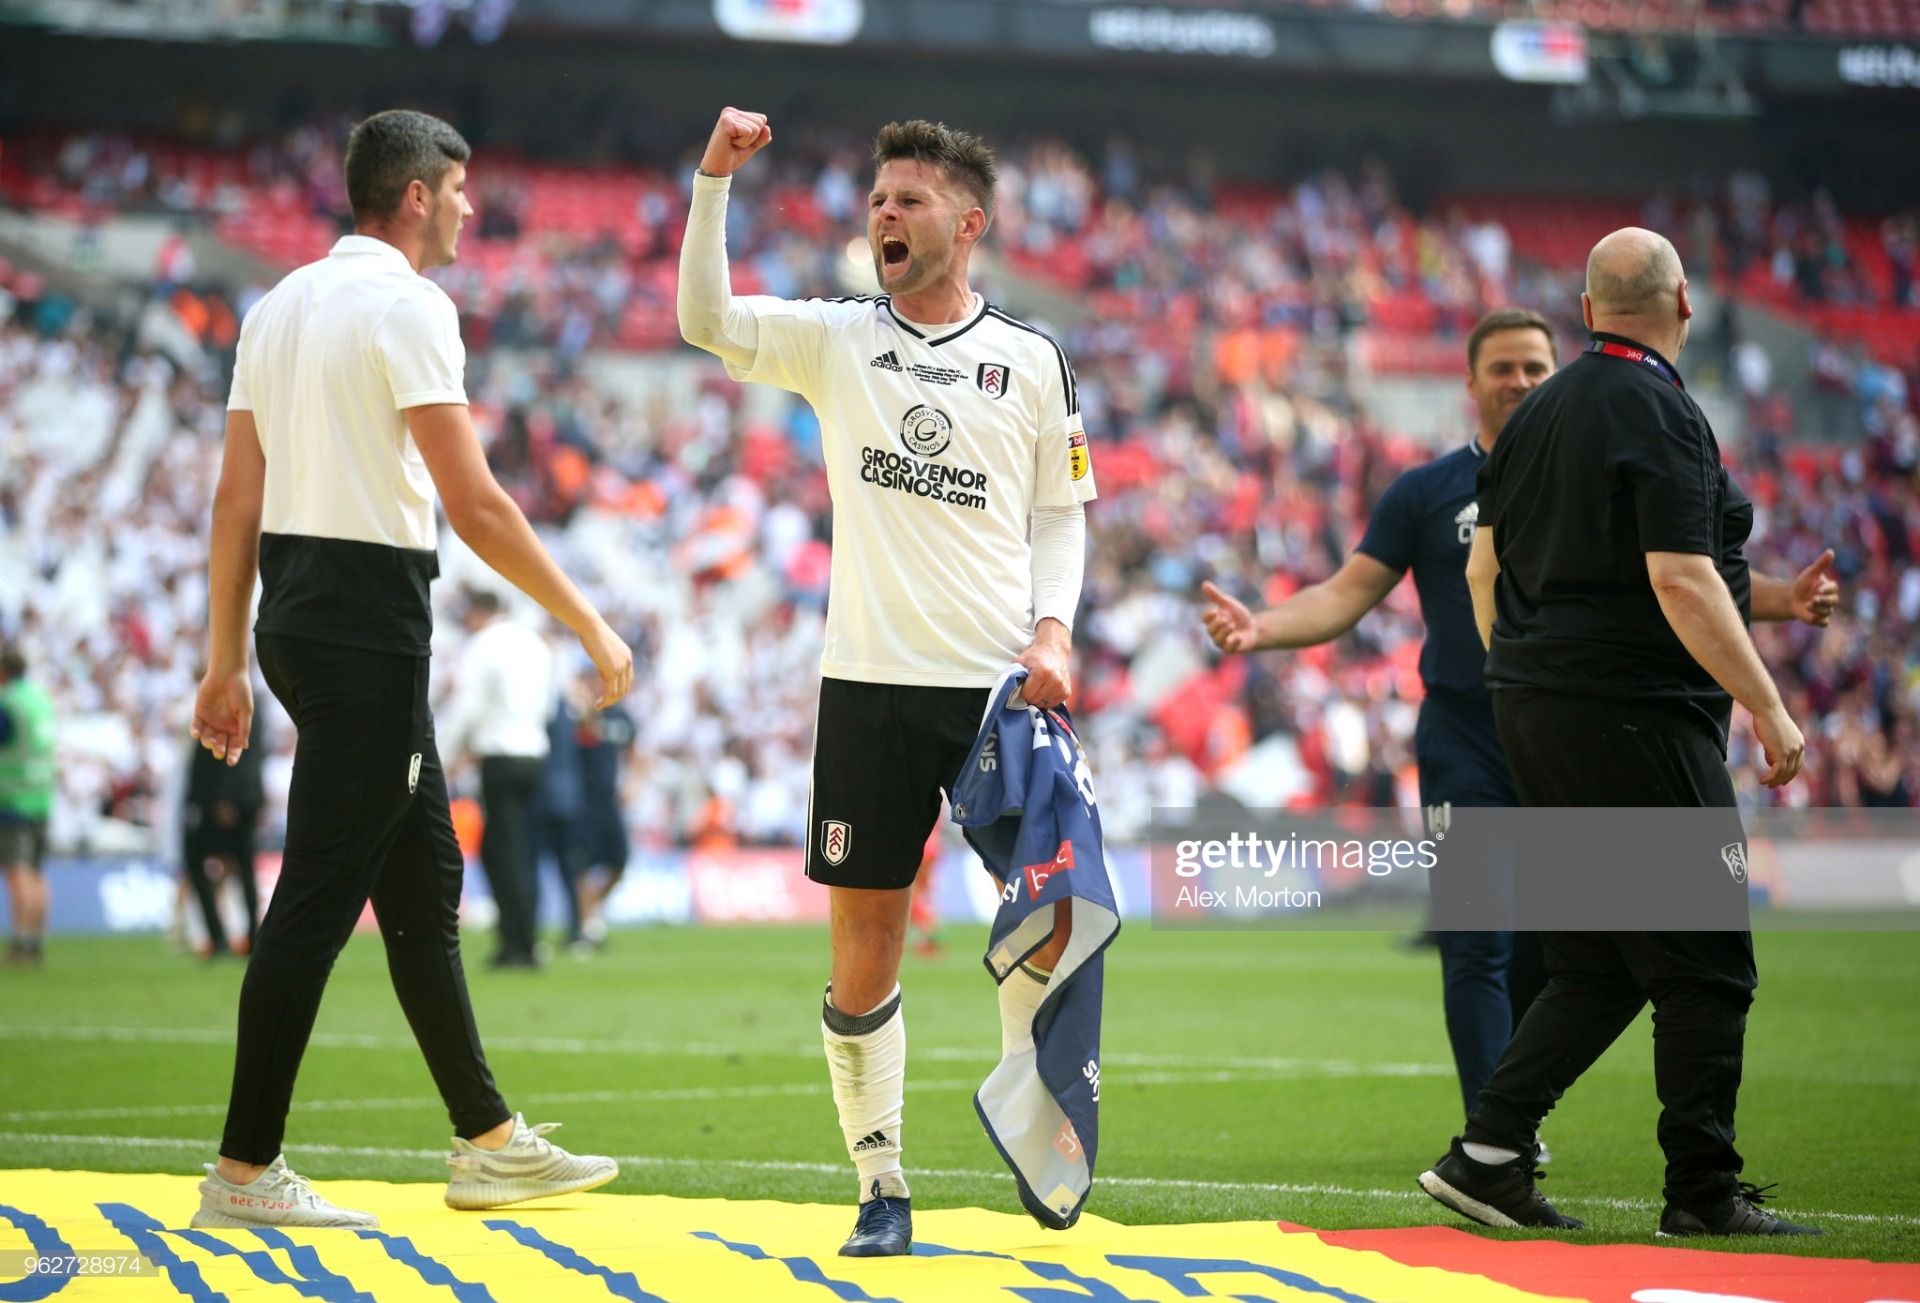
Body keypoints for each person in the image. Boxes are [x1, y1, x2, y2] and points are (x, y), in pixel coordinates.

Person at [188, 109, 633, 1230]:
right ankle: (244, 1170)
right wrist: (588, 620)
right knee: (312, 906)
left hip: (297, 614)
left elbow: (237, 498)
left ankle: (487, 1140)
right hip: (366, 621)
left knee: (425, 885)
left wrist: (225, 657)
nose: (473, 207)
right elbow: (474, 501)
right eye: (461, 187)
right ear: (420, 194)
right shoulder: (412, 307)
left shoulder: (278, 305)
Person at [678, 107, 1096, 1256]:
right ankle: (882, 1184)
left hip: (998, 696)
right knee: (861, 949)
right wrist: (715, 177)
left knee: (1054, 923)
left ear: (970, 223)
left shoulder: (1033, 359)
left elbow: (1061, 516)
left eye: (907, 201)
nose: (883, 215)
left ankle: (1028, 1095)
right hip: (866, 687)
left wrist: (1053, 628)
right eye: (876, 200)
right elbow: (703, 319)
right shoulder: (836, 337)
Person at [1417, 227, 1837, 1239]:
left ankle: (1488, 1153)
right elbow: (1681, 575)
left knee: (1600, 959)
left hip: (1540, 705)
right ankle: (1701, 1190)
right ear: (1684, 304)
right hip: (1635, 714)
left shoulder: (1533, 414)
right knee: (1708, 963)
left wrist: (1529, 676)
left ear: (1588, 304)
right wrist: (1770, 705)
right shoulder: (1660, 406)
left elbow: (1486, 570)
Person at [1201, 308, 1558, 1130]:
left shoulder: (1588, 484)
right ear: (1469, 384)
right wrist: (1261, 626)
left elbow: (1673, 578)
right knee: (1476, 941)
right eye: (1502, 368)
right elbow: (1345, 593)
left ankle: (1513, 1105)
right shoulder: (1426, 492)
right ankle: (1497, 1137)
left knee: (1558, 948)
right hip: (1466, 739)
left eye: (1535, 367)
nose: (1520, 382)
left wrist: (1781, 602)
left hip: (1559, 742)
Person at [439, 588, 554, 969]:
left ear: (476, 613)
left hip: (500, 756)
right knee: (523, 848)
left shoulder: (483, 645)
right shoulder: (534, 644)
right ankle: (527, 937)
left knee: (502, 852)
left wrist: (445, 755)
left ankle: (515, 943)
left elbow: (468, 706)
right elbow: (548, 704)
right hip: (534, 752)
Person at [181, 708, 264, 958]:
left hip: (227, 803)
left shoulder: (237, 702)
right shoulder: (238, 700)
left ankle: (246, 937)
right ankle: (231, 937)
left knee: (242, 870)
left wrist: (226, 797)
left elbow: (241, 749)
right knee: (238, 869)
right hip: (216, 800)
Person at [0, 644, 55, 967]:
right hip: (42, 795)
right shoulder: (40, 699)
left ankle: (21, 940)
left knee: (18, 872)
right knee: (36, 873)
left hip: (13, 797)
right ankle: (35, 939)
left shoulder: (9, 703)